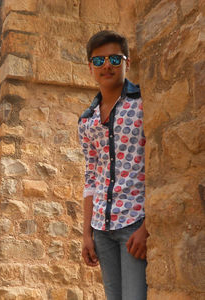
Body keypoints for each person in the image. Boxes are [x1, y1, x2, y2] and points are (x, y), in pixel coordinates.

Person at [78, 30, 149, 300]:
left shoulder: (143, 104)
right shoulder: (87, 121)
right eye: (98, 61)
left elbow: (159, 165)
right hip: (102, 229)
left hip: (134, 223)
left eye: (114, 59)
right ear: (90, 68)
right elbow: (91, 178)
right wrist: (87, 233)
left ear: (126, 62)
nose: (106, 65)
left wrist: (147, 226)